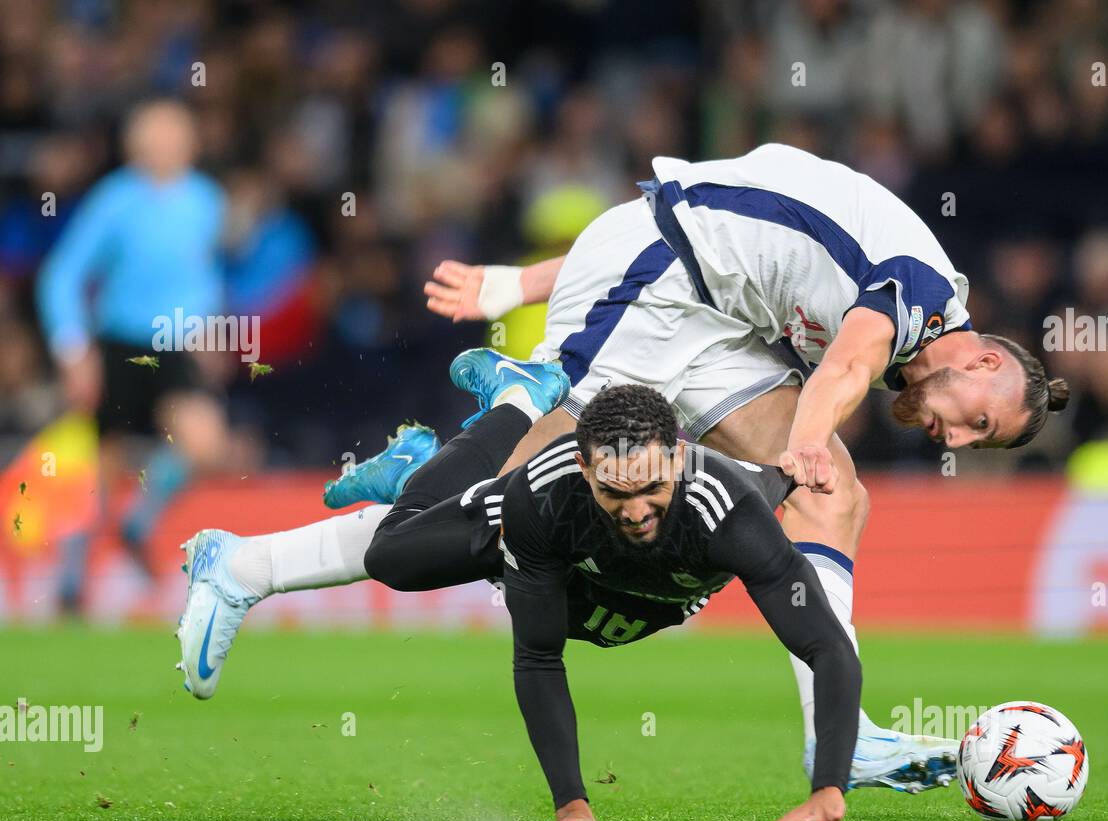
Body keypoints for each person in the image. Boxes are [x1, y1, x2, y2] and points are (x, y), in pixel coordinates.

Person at [423, 142, 1069, 768]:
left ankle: (841, 734)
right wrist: (807, 440)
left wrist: (512, 284)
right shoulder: (920, 297)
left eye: (978, 441)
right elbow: (840, 363)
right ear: (985, 359)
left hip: (713, 320)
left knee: (833, 496)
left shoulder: (909, 332)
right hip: (669, 284)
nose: (956, 440)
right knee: (507, 491)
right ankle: (419, 482)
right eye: (977, 421)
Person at [176, 380, 959, 821]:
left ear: (679, 459)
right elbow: (539, 654)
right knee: (393, 553)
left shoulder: (732, 510)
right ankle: (513, 407)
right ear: (587, 471)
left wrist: (827, 789)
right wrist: (572, 803)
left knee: (411, 531)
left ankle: (443, 448)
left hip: (624, 600)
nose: (641, 507)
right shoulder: (546, 496)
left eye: (654, 485)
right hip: (560, 559)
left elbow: (823, 642)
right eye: (618, 490)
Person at [36, 98, 232, 610]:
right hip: (120, 344)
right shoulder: (115, 200)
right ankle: (71, 585)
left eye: (176, 132)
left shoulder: (206, 200)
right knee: (101, 472)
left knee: (205, 444)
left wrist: (210, 327)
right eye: (156, 133)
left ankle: (137, 523)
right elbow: (62, 274)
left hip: (175, 345)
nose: (167, 143)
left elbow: (202, 274)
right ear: (136, 143)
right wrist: (73, 349)